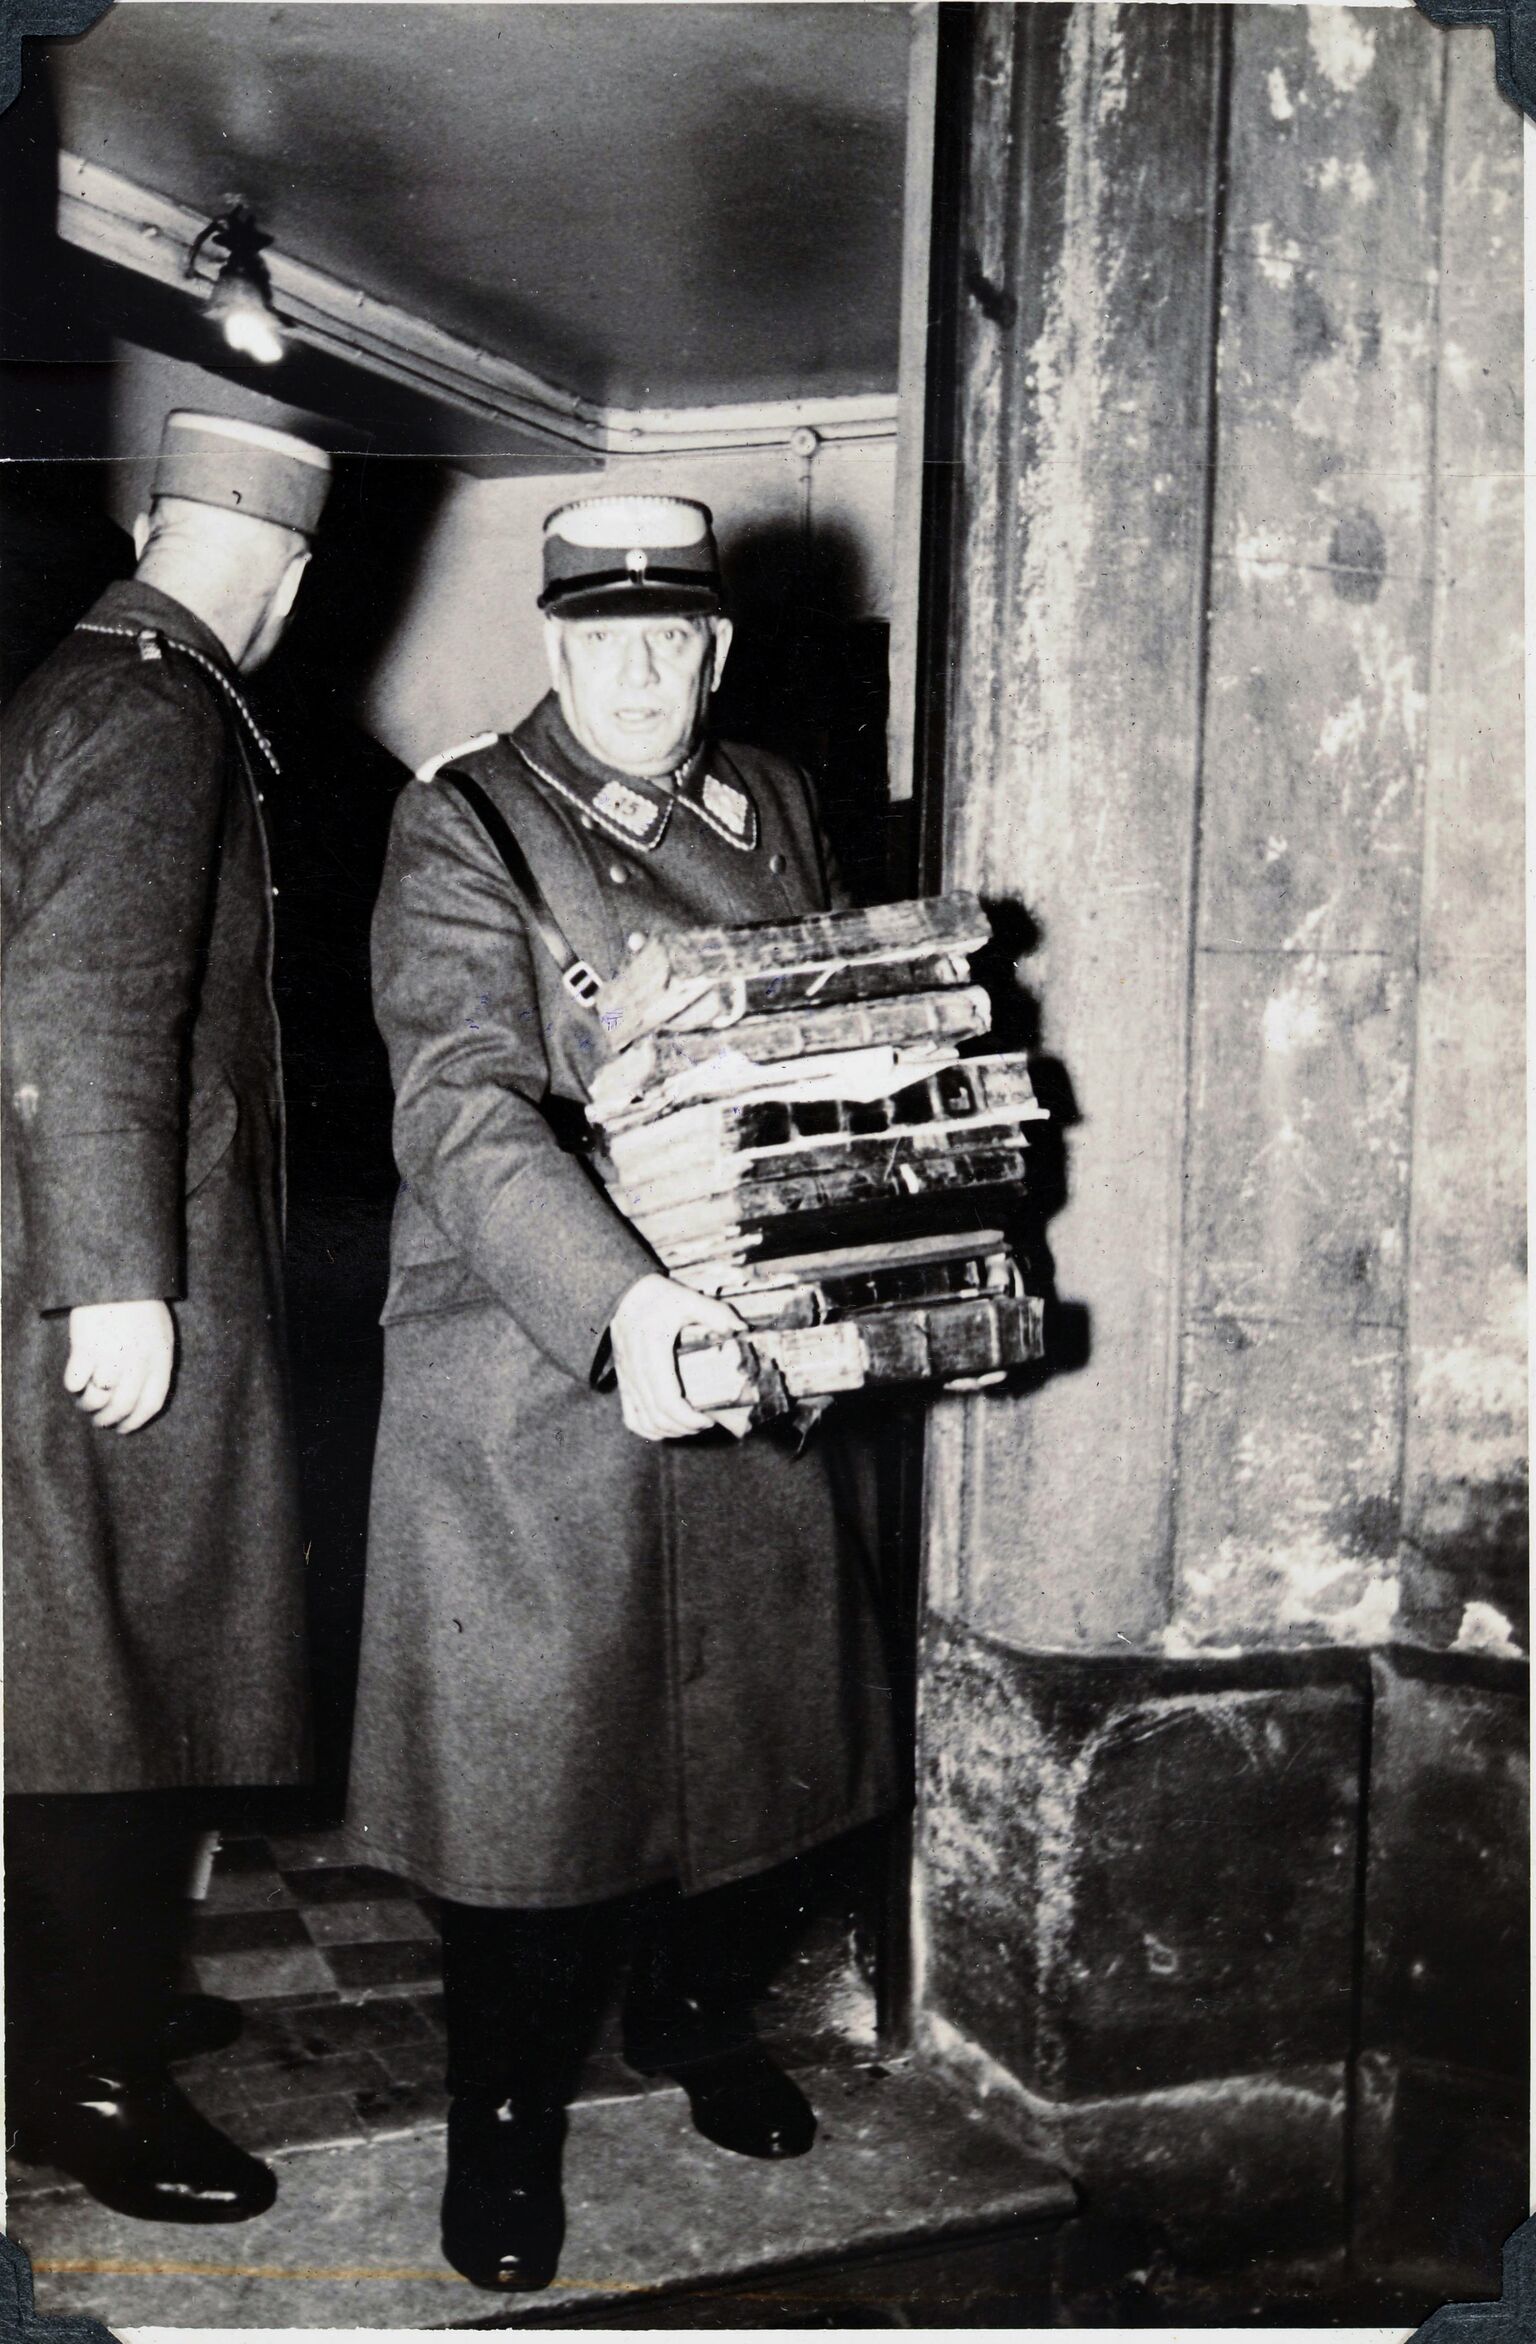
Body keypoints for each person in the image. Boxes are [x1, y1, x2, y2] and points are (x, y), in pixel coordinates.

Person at [344, 494, 898, 2291]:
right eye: (605, 641)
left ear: (715, 650)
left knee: (767, 1756)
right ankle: (503, 2123)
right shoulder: (469, 821)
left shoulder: (776, 799)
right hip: (541, 1358)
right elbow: (459, 1105)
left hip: (751, 1331)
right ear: (553, 646)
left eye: (673, 640)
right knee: (537, 1793)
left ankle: (692, 2020)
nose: (642, 675)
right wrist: (620, 1302)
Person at [2, 410, 332, 2222]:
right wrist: (120, 1281)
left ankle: (79, 2010)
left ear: (150, 527)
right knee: (110, 1687)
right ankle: (88, 2083)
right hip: (122, 1279)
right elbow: (87, 999)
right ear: (287, 578)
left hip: (66, 1257)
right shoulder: (161, 708)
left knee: (85, 1669)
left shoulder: (81, 678)